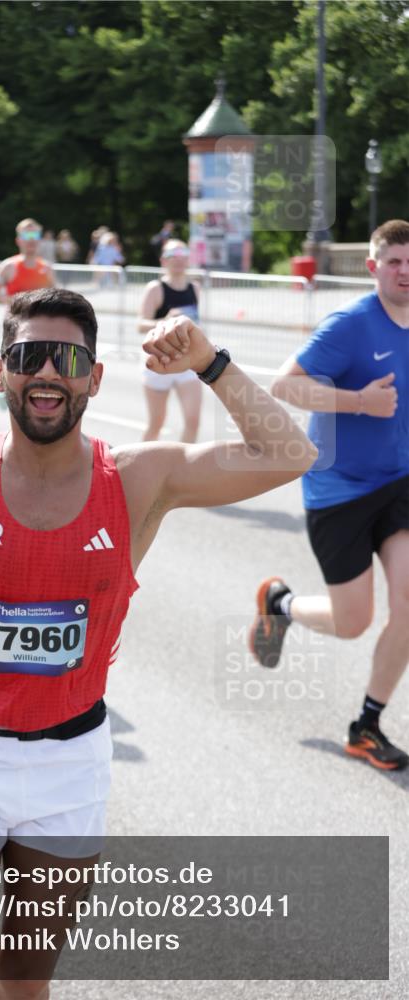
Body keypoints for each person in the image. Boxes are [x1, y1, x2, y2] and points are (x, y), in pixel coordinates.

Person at [0, 285, 314, 999]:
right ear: (0, 370)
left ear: (93, 378)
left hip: (69, 767)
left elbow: (290, 455)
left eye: (66, 357)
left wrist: (209, 361)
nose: (47, 372)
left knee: (24, 983)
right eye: (29, 356)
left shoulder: (139, 478)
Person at [249, 218, 409, 771]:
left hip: (398, 483)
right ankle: (282, 606)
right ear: (373, 268)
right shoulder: (351, 324)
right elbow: (284, 385)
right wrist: (360, 403)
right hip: (337, 488)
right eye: (394, 262)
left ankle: (366, 726)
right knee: (353, 622)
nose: (405, 271)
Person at [137, 239, 202, 442]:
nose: (178, 260)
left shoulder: (195, 288)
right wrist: (164, 321)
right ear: (163, 261)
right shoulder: (156, 288)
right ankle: (139, 468)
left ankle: (184, 469)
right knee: (157, 423)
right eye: (172, 256)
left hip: (186, 360)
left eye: (182, 255)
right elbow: (140, 324)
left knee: (193, 421)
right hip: (158, 360)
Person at [0, 218, 56, 307]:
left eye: (35, 235)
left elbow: (56, 297)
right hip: (15, 320)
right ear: (18, 240)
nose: (31, 239)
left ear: (39, 240)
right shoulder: (9, 266)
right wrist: (18, 302)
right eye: (26, 235)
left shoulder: (47, 268)